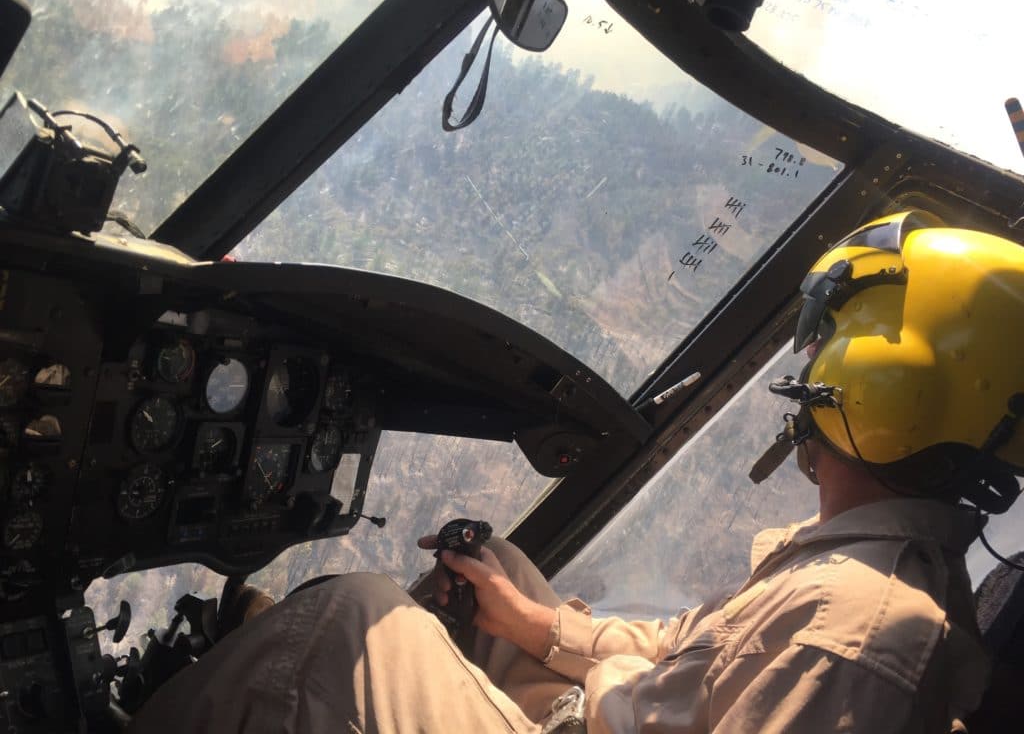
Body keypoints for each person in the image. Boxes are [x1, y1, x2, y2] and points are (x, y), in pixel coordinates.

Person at [128, 211, 1024, 733]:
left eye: (827, 344)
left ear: (884, 380)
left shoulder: (861, 630)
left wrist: (587, 687)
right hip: (614, 715)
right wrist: (536, 627)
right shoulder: (848, 574)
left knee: (346, 618)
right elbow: (684, 651)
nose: (808, 371)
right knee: (500, 573)